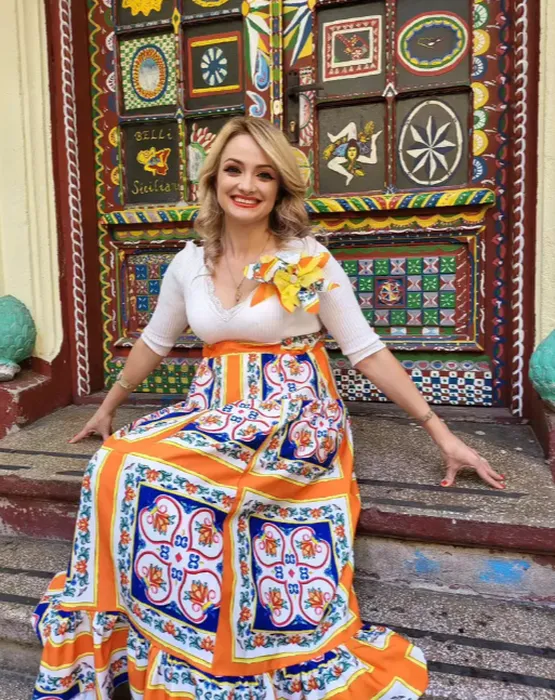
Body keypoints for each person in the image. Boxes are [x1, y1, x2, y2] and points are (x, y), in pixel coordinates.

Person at [32, 116, 505, 699]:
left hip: (295, 411)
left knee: (170, 475)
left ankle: (230, 640)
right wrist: (109, 407)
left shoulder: (307, 258)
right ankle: (165, 630)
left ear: (280, 187)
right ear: (213, 179)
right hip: (215, 408)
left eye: (263, 174)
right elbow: (154, 341)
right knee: (114, 462)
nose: (247, 185)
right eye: (234, 170)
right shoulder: (189, 263)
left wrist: (440, 431)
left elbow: (365, 350)